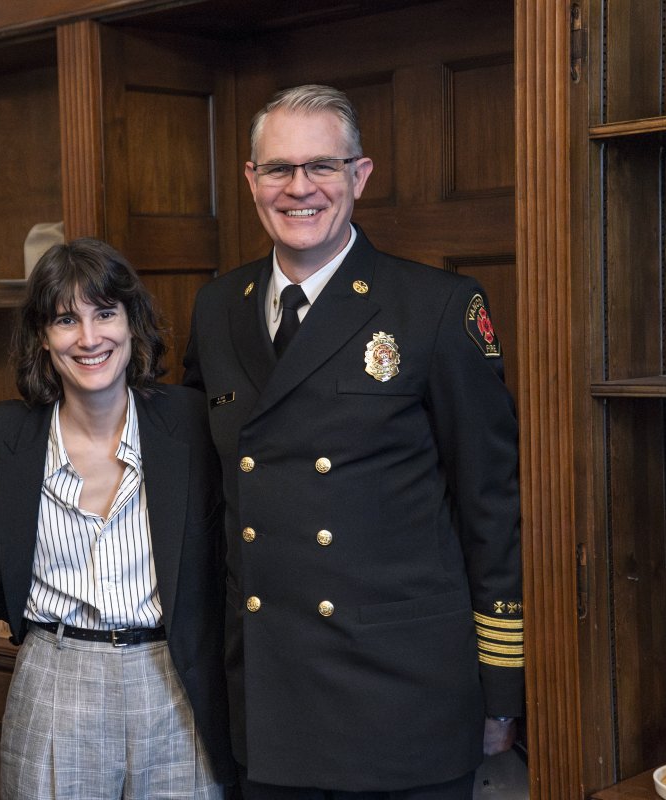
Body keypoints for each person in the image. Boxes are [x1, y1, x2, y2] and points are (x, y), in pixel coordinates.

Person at [182, 85, 523, 798]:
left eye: (322, 167)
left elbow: (491, 506)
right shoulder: (218, 308)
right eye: (277, 169)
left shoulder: (434, 308)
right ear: (250, 180)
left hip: (404, 700)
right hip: (271, 700)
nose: (299, 188)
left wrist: (500, 683)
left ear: (359, 176)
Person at [0, 238, 234, 799]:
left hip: (175, 677)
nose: (89, 338)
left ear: (133, 324)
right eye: (65, 320)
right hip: (55, 677)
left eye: (105, 314)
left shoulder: (195, 425)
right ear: (42, 337)